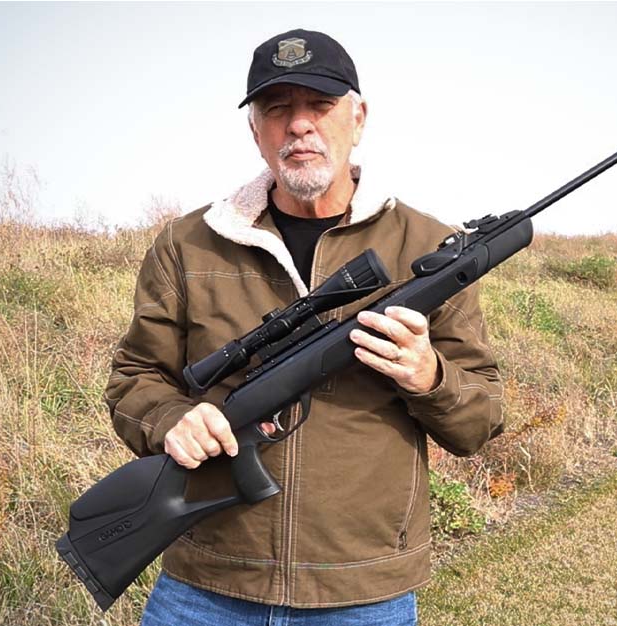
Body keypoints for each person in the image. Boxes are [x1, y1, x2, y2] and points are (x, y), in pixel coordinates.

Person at [104, 28, 503, 625]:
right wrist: (171, 422)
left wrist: (429, 375)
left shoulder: (427, 248)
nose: (299, 125)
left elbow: (481, 419)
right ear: (255, 129)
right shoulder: (187, 243)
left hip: (363, 592)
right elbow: (135, 378)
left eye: (319, 105)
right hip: (206, 586)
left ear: (358, 117)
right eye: (277, 109)